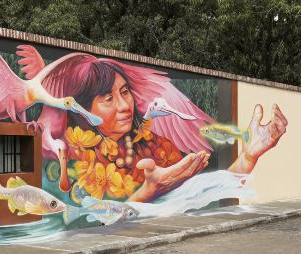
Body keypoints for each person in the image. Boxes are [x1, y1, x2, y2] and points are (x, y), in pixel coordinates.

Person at [62, 57, 288, 203]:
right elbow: (94, 227)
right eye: (108, 98)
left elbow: (204, 192)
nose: (124, 106)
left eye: (125, 92)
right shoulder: (70, 158)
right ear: (84, 110)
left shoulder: (157, 146)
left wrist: (249, 157)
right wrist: (148, 192)